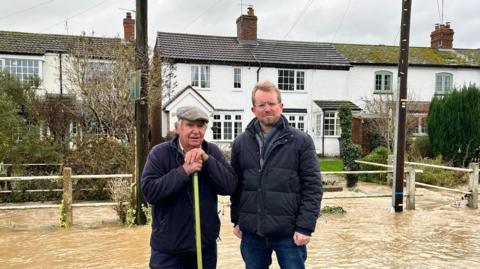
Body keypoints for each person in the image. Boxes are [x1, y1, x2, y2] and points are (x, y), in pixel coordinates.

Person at [230, 81, 323, 269]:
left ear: (281, 106)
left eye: (271, 103)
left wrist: (305, 227)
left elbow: (313, 187)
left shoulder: (301, 141)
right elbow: (237, 186)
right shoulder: (241, 142)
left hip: (289, 234)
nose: (267, 109)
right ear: (253, 109)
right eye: (261, 105)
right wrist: (237, 219)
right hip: (252, 233)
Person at [142, 105, 237, 269]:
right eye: (190, 125)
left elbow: (230, 185)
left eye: (200, 126)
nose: (196, 131)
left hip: (204, 248)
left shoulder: (212, 151)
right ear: (178, 128)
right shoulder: (159, 153)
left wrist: (207, 161)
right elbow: (150, 192)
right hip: (168, 251)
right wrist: (184, 171)